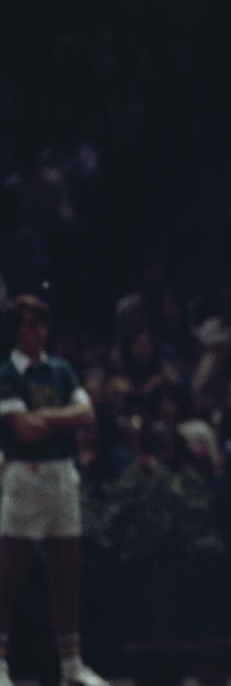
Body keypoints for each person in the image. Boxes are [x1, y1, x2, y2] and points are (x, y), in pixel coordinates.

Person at [0, 294, 109, 686]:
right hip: (23, 476)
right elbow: (22, 432)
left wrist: (43, 416)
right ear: (15, 329)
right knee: (8, 574)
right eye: (32, 323)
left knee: (66, 573)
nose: (40, 330)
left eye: (44, 322)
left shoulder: (61, 370)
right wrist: (57, 420)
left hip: (62, 475)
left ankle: (72, 666)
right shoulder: (5, 373)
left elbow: (86, 414)